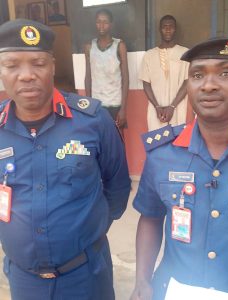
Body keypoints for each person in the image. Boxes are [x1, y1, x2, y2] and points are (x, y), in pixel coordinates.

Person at [0, 19, 130, 300]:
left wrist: (90, 228)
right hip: (24, 280)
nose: (26, 75)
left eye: (38, 63)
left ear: (53, 66)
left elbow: (118, 186)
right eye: (12, 65)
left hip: (86, 275)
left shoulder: (93, 120)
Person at [131, 37, 228, 300]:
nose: (208, 85)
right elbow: (150, 217)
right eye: (197, 75)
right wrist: (142, 281)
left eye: (225, 73)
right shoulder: (162, 153)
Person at [139, 15, 190, 131]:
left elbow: (187, 82)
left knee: (177, 145)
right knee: (156, 144)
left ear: (175, 29)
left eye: (171, 26)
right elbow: (146, 84)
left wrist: (172, 107)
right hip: (156, 112)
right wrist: (157, 107)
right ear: (159, 29)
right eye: (164, 27)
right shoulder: (149, 55)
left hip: (177, 111)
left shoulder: (185, 53)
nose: (167, 29)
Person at [84, 9, 129, 130]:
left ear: (111, 24)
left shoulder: (119, 46)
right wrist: (89, 104)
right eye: (98, 22)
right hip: (97, 104)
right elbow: (88, 77)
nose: (101, 25)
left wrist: (123, 109)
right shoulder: (89, 47)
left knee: (118, 140)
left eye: (105, 22)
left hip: (115, 103)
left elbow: (125, 79)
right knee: (100, 139)